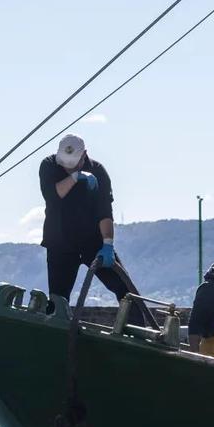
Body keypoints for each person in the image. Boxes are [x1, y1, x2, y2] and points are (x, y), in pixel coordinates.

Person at [38, 134, 155, 326]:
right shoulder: (49, 165)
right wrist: (75, 177)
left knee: (125, 289)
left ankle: (137, 330)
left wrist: (107, 244)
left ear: (84, 155)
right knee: (58, 299)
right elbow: (52, 196)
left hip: (93, 242)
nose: (68, 167)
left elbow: (104, 212)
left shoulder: (98, 171)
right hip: (60, 243)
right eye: (65, 163)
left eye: (73, 164)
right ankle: (55, 334)